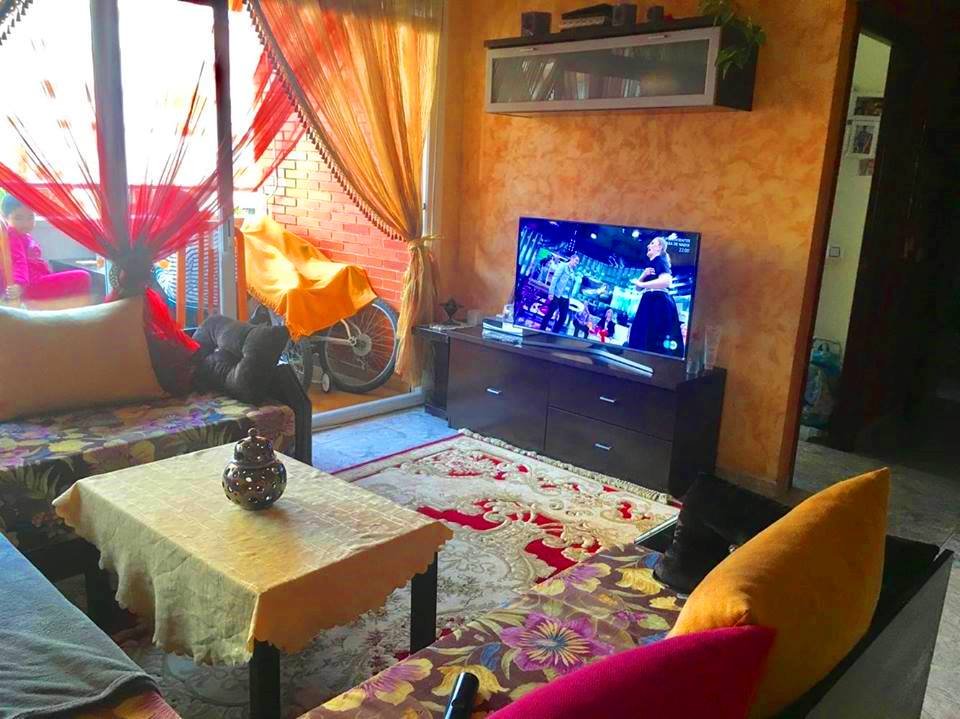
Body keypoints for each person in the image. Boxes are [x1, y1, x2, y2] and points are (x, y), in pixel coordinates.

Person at [1, 195, 92, 310]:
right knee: (83, 276)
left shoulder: (23, 235)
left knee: (72, 278)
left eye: (30, 217)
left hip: (35, 281)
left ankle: (66, 311)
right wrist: (20, 285)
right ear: (5, 217)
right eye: (18, 218)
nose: (26, 223)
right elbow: (19, 261)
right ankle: (75, 313)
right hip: (30, 286)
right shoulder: (11, 235)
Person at [627, 235, 684, 357]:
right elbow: (638, 288)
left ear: (659, 247)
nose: (648, 245)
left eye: (652, 243)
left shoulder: (659, 260)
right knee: (646, 337)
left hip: (657, 301)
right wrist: (643, 276)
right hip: (650, 300)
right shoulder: (651, 265)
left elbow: (667, 281)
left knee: (652, 337)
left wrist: (642, 283)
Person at [540, 254, 579, 333]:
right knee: (550, 314)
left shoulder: (573, 272)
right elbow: (555, 279)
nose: (577, 263)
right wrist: (551, 293)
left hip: (566, 297)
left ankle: (554, 333)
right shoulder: (563, 266)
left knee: (563, 317)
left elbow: (571, 285)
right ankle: (541, 330)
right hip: (557, 295)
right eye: (576, 260)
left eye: (578, 262)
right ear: (571, 259)